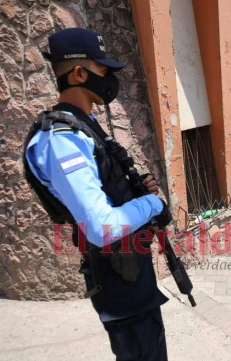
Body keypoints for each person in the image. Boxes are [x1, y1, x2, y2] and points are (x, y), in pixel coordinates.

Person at [23, 27, 171, 360]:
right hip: (119, 282)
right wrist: (151, 205)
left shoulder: (82, 126)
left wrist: (137, 193)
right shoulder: (61, 139)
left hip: (131, 273)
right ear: (79, 73)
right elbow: (101, 227)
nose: (109, 79)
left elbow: (107, 193)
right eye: (103, 70)